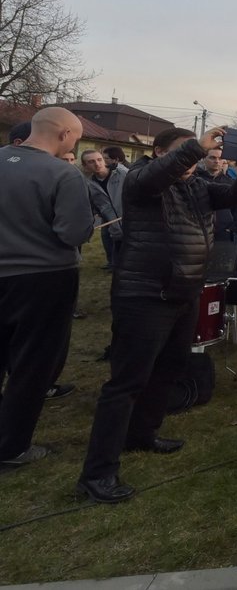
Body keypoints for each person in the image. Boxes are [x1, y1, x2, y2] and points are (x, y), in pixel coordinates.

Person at [78, 126, 237, 503]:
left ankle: (142, 433)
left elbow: (233, 196)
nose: (193, 160)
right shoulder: (142, 180)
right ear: (160, 151)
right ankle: (97, 473)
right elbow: (158, 175)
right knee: (127, 381)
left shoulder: (195, 186)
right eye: (184, 153)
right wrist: (194, 148)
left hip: (184, 291)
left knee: (168, 369)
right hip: (145, 293)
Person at [0, 108, 94, 467]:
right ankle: (11, 447)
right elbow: (73, 233)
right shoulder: (62, 174)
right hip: (42, 278)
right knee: (31, 364)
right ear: (64, 135)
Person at [82, 149, 126, 267]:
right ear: (85, 166)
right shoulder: (88, 184)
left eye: (99, 159)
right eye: (91, 162)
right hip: (113, 225)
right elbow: (92, 205)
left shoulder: (122, 174)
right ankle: (113, 264)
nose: (97, 164)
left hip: (130, 222)